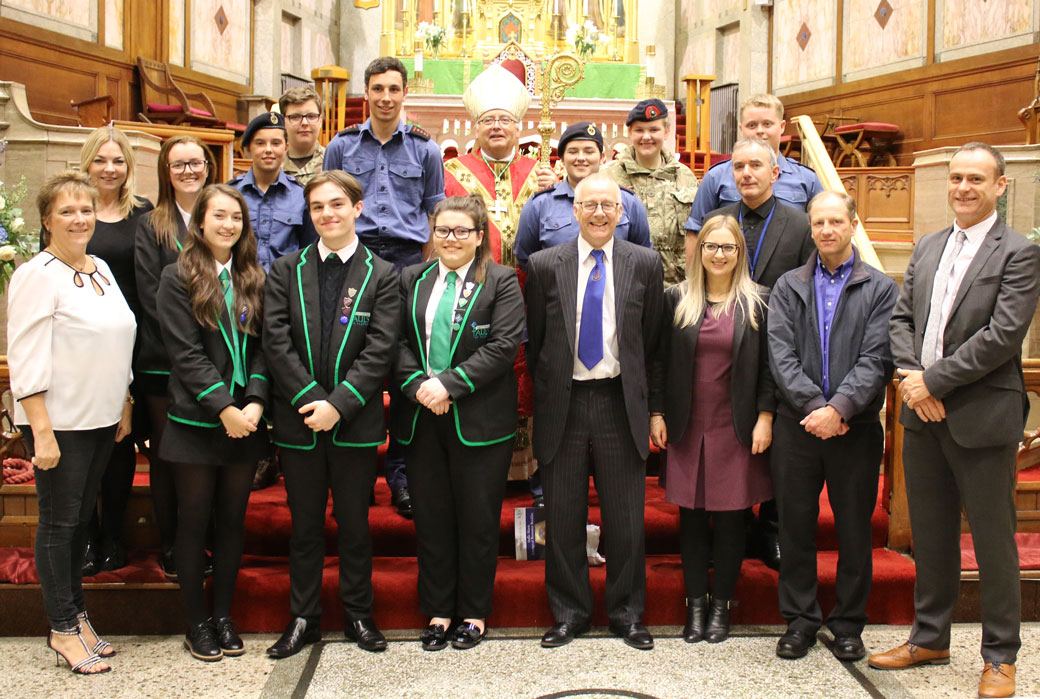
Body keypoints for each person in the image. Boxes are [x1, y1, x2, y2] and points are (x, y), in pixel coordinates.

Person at [871, 143, 1040, 699]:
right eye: (956, 178)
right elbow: (902, 320)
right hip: (923, 415)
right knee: (932, 535)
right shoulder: (927, 247)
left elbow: (1002, 337)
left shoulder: (1017, 252)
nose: (963, 187)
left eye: (976, 179)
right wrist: (912, 379)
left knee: (993, 541)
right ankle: (929, 637)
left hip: (982, 414)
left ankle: (1000, 657)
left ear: (1000, 187)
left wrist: (932, 381)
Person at [263, 170, 400, 659]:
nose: (328, 214)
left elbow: (381, 348)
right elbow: (274, 341)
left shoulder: (382, 274)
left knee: (355, 526)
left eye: (337, 204)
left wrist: (338, 404)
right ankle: (304, 617)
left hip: (354, 424)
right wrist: (310, 399)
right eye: (318, 206)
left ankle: (359, 614)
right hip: (299, 420)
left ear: (357, 208)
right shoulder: (285, 270)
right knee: (304, 527)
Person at [526, 172, 664, 650]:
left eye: (609, 205)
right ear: (575, 211)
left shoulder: (645, 263)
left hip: (617, 401)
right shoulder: (545, 264)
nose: (600, 213)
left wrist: (654, 408)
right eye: (590, 205)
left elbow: (651, 343)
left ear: (621, 212)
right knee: (562, 516)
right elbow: (538, 339)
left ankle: (627, 614)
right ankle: (570, 614)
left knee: (625, 518)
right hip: (562, 401)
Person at [8, 170, 136, 674]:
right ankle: (62, 629)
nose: (79, 218)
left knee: (81, 521)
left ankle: (78, 616)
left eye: (85, 209)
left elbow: (119, 335)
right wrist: (40, 429)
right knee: (60, 526)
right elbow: (26, 355)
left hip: (101, 416)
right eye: (67, 211)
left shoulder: (100, 266)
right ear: (46, 220)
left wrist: (124, 399)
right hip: (59, 422)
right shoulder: (37, 274)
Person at [767, 190, 898, 662]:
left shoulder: (880, 288)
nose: (826, 230)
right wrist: (816, 408)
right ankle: (800, 621)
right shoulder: (787, 286)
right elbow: (779, 355)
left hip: (855, 429)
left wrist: (839, 409)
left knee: (853, 531)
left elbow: (878, 357)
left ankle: (848, 624)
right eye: (818, 222)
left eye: (835, 221)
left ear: (852, 223)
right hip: (796, 427)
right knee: (795, 528)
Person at [396, 194, 525, 651]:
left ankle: (472, 613)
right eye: (442, 231)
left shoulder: (502, 281)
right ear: (432, 235)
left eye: (461, 232)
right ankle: (437, 611)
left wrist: (449, 384)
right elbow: (393, 342)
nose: (451, 239)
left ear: (478, 236)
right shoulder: (410, 277)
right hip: (420, 416)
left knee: (477, 520)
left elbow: (504, 346)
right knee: (431, 519)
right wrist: (418, 386)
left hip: (479, 419)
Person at [323, 56, 446, 519]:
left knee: (402, 370)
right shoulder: (340, 146)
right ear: (367, 93)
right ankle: (348, 477)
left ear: (404, 93)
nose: (386, 98)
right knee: (350, 363)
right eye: (378, 89)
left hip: (405, 263)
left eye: (394, 89)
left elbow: (435, 218)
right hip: (354, 259)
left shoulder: (425, 151)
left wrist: (427, 274)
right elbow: (328, 209)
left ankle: (400, 476)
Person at [649, 214, 774, 644]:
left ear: (740, 254)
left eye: (728, 247)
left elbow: (768, 370)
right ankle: (695, 607)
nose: (719, 255)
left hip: (735, 426)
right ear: (698, 251)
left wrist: (766, 416)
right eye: (711, 246)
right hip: (687, 425)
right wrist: (657, 412)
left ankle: (721, 606)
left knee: (732, 521)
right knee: (692, 520)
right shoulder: (677, 299)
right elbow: (660, 362)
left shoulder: (758, 301)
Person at [157, 184, 269, 661]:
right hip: (199, 420)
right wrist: (224, 407)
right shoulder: (176, 277)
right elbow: (185, 354)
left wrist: (257, 402)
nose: (228, 225)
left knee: (232, 523)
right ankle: (196, 622)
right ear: (199, 223)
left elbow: (265, 347)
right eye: (219, 216)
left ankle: (223, 616)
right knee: (194, 522)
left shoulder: (252, 277)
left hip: (246, 419)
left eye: (236, 218)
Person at [135, 135, 217, 581]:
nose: (188, 171)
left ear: (208, 166)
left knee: (208, 457)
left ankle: (208, 540)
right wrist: (193, 346)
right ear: (167, 172)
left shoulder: (221, 214)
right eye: (178, 164)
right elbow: (151, 296)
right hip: (163, 362)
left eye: (196, 163)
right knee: (171, 459)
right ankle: (172, 545)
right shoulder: (152, 225)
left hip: (218, 361)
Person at [75, 125, 153, 576]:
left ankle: (114, 538)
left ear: (128, 167)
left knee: (121, 442)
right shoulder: (75, 211)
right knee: (86, 442)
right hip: (83, 344)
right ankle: (85, 535)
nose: (109, 168)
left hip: (131, 343)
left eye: (118, 161)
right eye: (101, 160)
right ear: (88, 162)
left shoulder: (143, 214)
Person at [444, 63, 555, 265]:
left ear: (517, 130)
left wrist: (555, 190)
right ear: (476, 130)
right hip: (469, 281)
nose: (496, 126)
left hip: (527, 284)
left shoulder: (539, 173)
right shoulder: (451, 172)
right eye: (488, 120)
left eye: (505, 120)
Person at [514, 121, 652, 271]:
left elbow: (643, 256)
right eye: (573, 152)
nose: (581, 158)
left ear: (603, 158)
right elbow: (526, 258)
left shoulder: (627, 201)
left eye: (589, 151)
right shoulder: (540, 204)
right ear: (562, 159)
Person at [684, 94, 822, 233]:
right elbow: (696, 230)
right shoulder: (716, 177)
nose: (760, 131)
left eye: (767, 124)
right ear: (741, 129)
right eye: (752, 125)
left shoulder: (806, 178)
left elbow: (821, 226)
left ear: (782, 126)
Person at [603, 98, 699, 284]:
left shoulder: (684, 176)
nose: (646, 137)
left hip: (675, 286)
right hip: (623, 283)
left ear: (666, 131)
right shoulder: (608, 176)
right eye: (639, 130)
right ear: (629, 132)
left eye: (654, 130)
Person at [703, 137, 814, 290]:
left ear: (774, 174)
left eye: (756, 165)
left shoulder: (801, 226)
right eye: (739, 167)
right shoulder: (713, 221)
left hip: (779, 312)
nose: (746, 173)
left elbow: (808, 287)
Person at [229, 111, 317, 272]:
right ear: (248, 148)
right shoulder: (231, 193)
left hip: (285, 289)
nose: (268, 149)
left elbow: (309, 250)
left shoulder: (300, 196)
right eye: (260, 143)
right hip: (241, 287)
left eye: (276, 143)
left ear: (286, 147)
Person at [280, 85, 326, 186]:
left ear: (320, 121)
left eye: (311, 116)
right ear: (283, 122)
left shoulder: (331, 163)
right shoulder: (275, 166)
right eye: (295, 117)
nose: (305, 122)